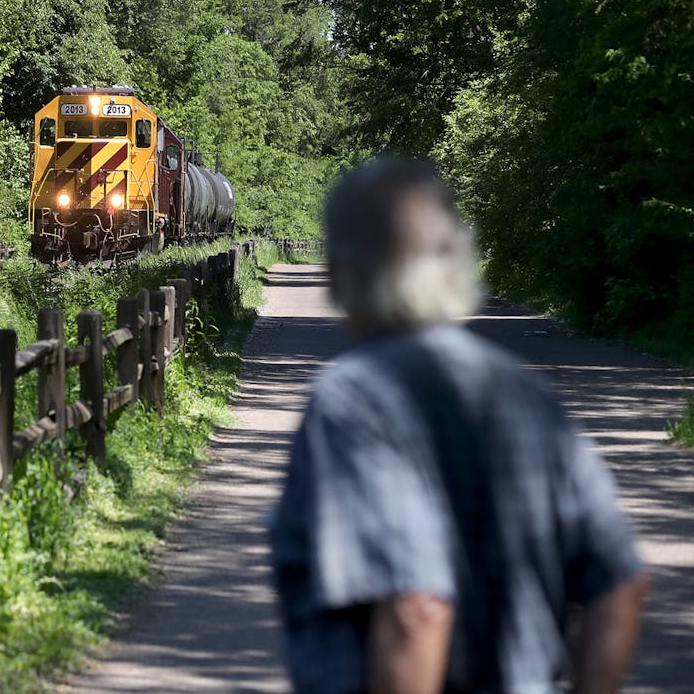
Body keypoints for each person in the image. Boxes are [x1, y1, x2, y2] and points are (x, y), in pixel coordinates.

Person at [270, 157, 649, 694]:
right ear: (456, 265)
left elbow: (416, 608)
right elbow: (621, 583)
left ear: (335, 274)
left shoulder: (352, 400)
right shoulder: (525, 392)